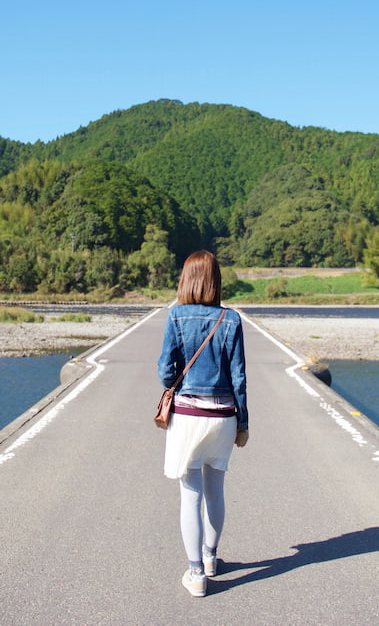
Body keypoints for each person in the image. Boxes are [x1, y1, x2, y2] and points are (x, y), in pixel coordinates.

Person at [157, 250, 248, 598]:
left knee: (190, 494)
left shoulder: (176, 315)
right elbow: (239, 377)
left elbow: (166, 369)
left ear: (186, 279)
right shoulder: (231, 319)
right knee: (216, 490)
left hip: (189, 417)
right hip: (223, 417)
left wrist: (173, 382)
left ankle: (196, 574)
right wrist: (243, 423)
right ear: (215, 280)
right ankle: (211, 558)